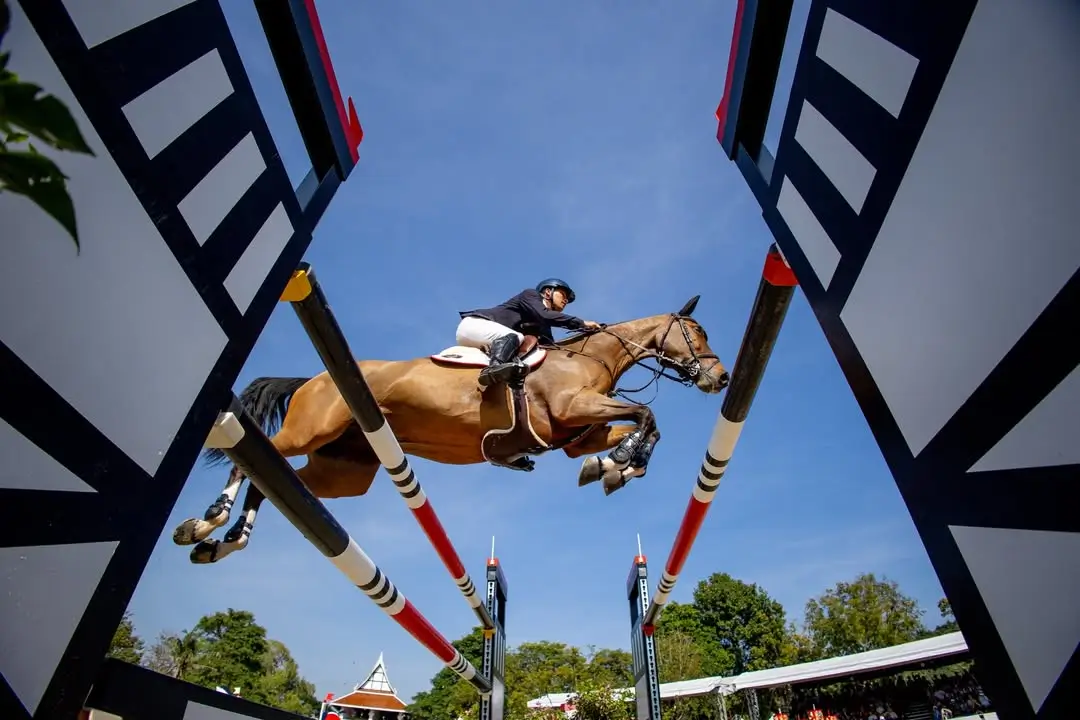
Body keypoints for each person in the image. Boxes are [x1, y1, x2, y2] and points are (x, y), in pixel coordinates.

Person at [457, 278, 602, 387]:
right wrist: (581, 323)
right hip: (475, 325)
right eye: (563, 294)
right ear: (547, 292)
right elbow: (544, 315)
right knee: (517, 337)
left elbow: (551, 349)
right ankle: (494, 369)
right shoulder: (530, 295)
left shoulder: (542, 325)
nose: (565, 300)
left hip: (487, 339)